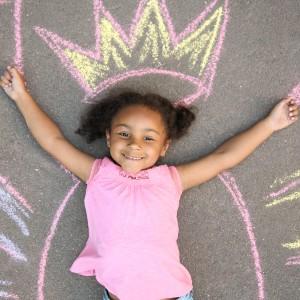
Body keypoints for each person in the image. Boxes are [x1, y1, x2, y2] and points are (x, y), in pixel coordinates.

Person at [0, 66, 299, 300]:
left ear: (164, 146)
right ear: (108, 137)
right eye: (124, 134)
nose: (134, 145)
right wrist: (22, 98)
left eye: (148, 138)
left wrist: (269, 125)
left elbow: (224, 157)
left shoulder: (171, 180)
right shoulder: (97, 173)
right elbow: (53, 142)